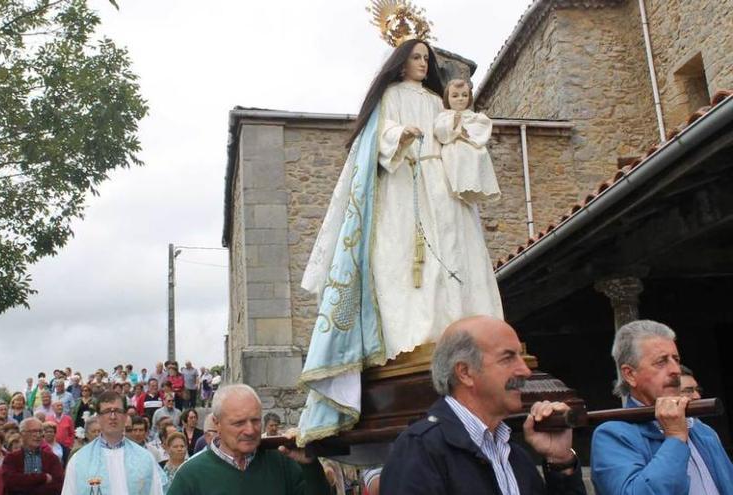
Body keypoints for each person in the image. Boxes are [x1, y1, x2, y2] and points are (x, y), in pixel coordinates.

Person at [298, 37, 503, 444]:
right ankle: (418, 336)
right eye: (416, 57)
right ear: (401, 62)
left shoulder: (435, 101)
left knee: (455, 257)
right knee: (411, 264)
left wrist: (459, 130)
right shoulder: (390, 95)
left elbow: (449, 133)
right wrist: (399, 136)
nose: (423, 64)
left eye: (427, 58)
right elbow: (376, 140)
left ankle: (460, 326)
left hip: (441, 187)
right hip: (404, 187)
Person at [380, 316, 587, 494]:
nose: (525, 371)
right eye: (508, 358)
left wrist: (560, 461)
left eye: (521, 357)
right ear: (465, 373)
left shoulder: (515, 457)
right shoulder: (420, 449)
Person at [591, 320, 733, 494]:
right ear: (630, 374)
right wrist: (675, 437)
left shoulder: (703, 431)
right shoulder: (613, 435)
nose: (676, 370)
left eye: (676, 359)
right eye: (661, 362)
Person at [167, 384, 332, 495]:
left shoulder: (284, 463)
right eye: (239, 423)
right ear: (217, 424)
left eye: (255, 420)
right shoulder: (190, 477)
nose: (250, 430)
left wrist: (310, 466)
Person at [61, 391, 167, 495]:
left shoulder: (145, 458)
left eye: (117, 411)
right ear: (98, 418)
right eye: (107, 411)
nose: (113, 417)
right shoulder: (79, 460)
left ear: (125, 417)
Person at [2, 418, 64, 495]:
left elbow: (57, 486)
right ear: (22, 434)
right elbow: (11, 483)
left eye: (40, 431)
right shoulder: (11, 458)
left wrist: (25, 483)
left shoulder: (52, 459)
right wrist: (43, 477)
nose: (38, 435)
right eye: (33, 431)